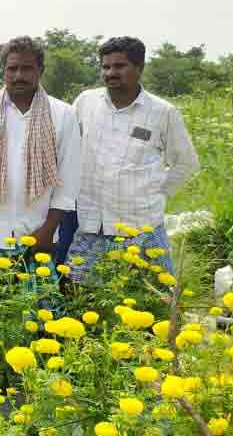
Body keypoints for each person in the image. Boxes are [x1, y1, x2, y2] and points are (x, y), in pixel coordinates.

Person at [69, 36, 200, 284]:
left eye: (119, 66)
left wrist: (155, 192)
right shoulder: (86, 102)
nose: (111, 73)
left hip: (142, 227)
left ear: (139, 68)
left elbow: (186, 163)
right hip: (91, 225)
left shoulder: (162, 111)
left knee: (155, 297)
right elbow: (68, 149)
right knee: (81, 296)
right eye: (106, 67)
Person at [0, 36, 81, 257]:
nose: (19, 76)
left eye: (27, 69)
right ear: (3, 71)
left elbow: (68, 180)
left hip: (38, 232)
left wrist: (48, 230)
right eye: (12, 69)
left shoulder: (63, 114)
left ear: (40, 70)